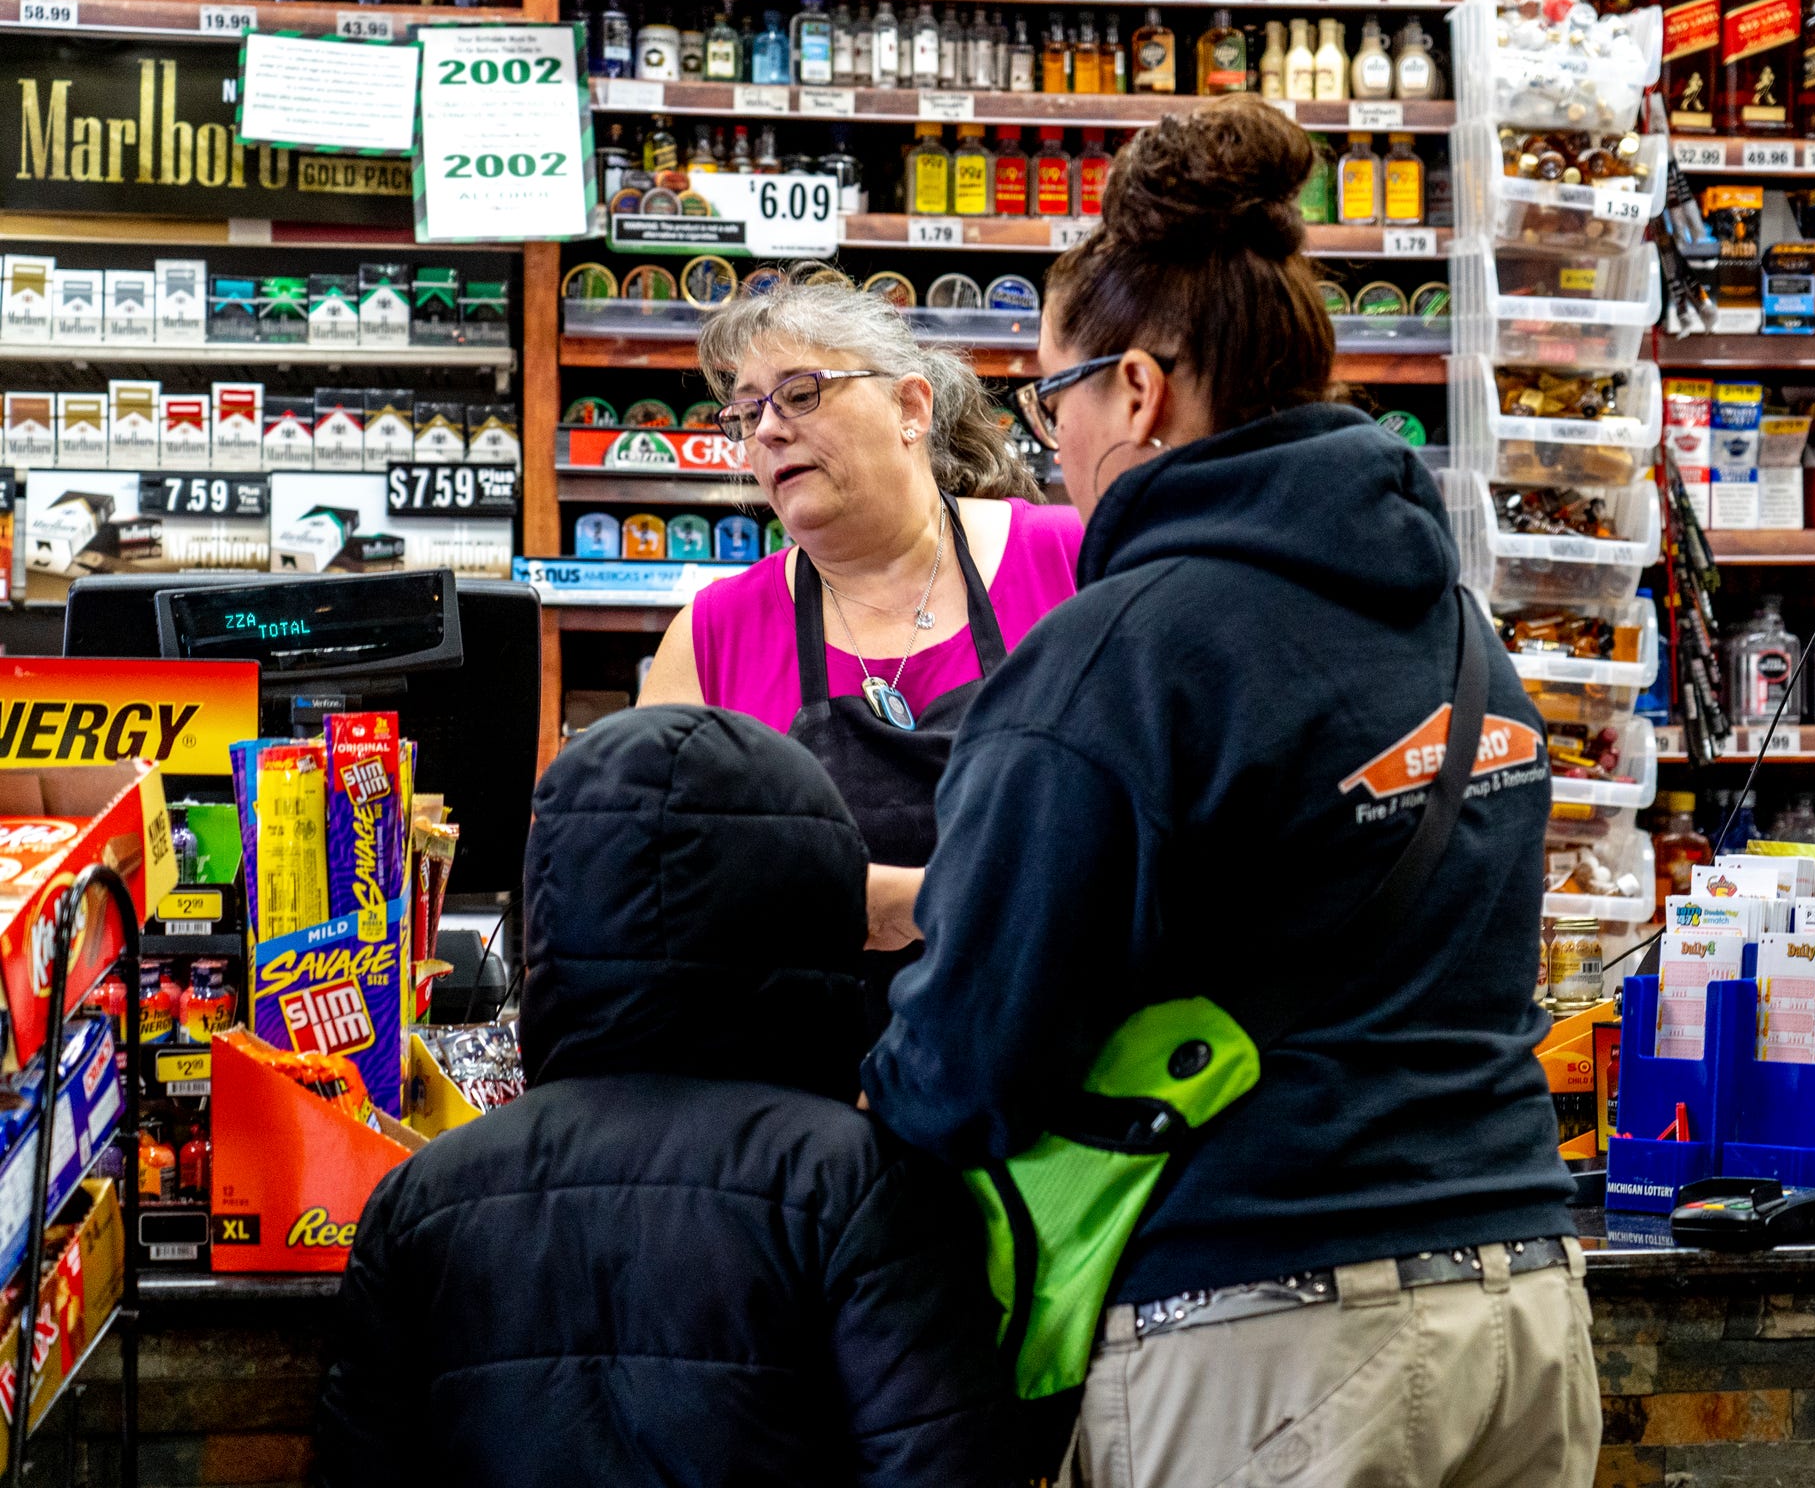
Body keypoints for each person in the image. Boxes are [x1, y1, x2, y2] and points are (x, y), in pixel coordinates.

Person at [863, 97, 1600, 1482]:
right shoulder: (1458, 630)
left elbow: (968, 1065)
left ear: (1137, 391)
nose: (1050, 445)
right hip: (1526, 1308)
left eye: (1050, 399)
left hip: (1272, 1335)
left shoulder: (1121, 654)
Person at [316, 706, 1016, 1488]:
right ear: (810, 902)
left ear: (555, 900)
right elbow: (941, 1464)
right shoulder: (862, 1184)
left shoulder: (423, 1200)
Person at [641, 271, 1083, 953]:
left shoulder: (1069, 561)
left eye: (799, 394)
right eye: (746, 412)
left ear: (910, 407)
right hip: (804, 1049)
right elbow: (641, 880)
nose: (767, 430)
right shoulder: (711, 635)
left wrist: (915, 902)